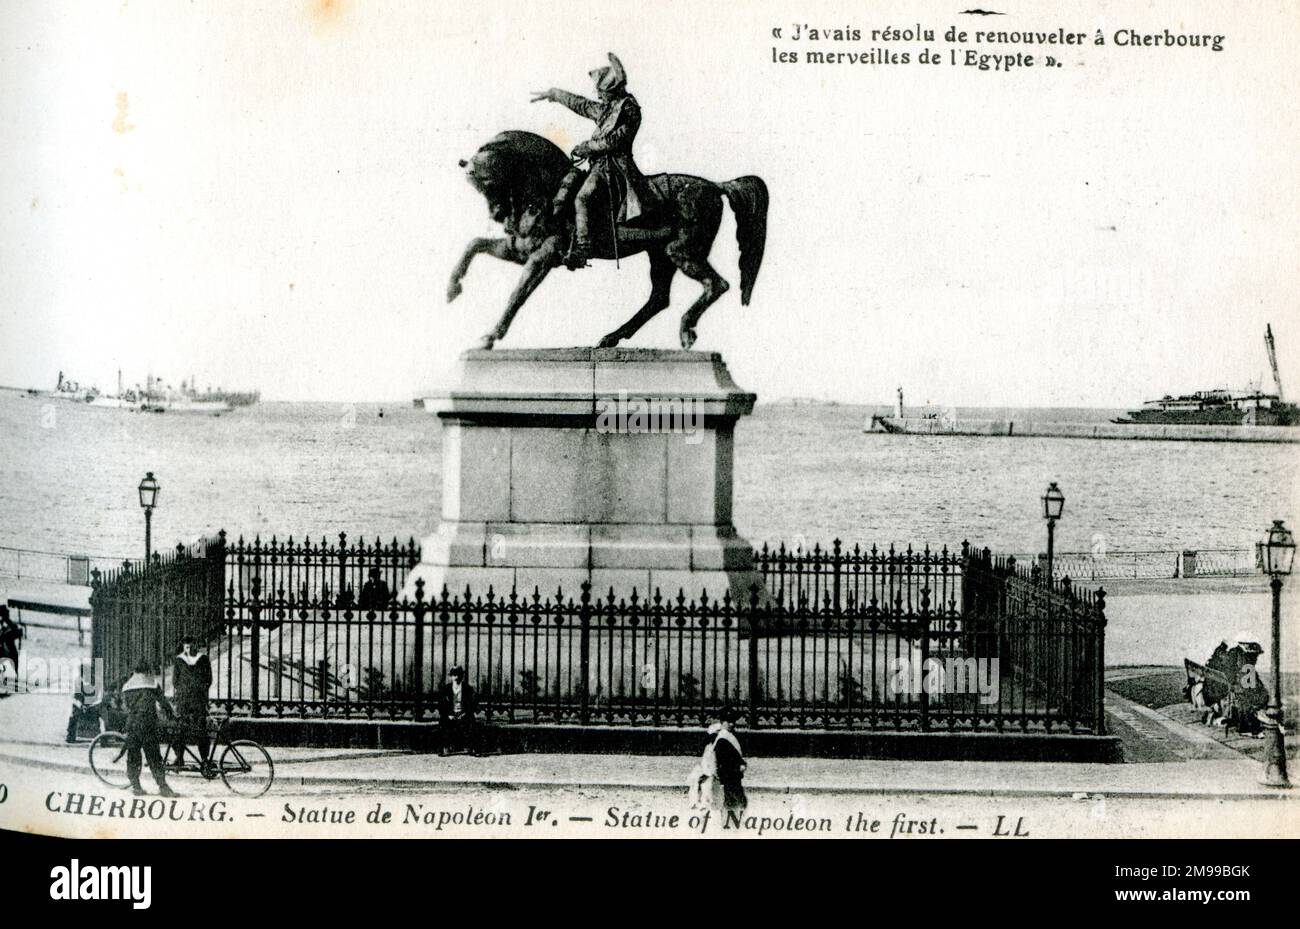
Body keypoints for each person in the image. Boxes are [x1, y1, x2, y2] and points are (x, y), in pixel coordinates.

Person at [531, 52, 653, 268]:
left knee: (582, 197)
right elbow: (581, 104)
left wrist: (587, 147)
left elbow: (614, 141)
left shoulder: (629, 111)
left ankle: (582, 249)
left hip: (615, 167)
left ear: (612, 90)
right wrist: (555, 94)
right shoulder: (608, 108)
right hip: (599, 165)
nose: (598, 96)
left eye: (601, 92)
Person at [121, 661, 178, 797]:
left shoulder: (127, 685)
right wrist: (171, 716)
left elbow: (125, 706)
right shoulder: (151, 683)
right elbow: (163, 702)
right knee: (154, 756)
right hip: (148, 724)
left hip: (132, 724)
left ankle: (136, 786)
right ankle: (163, 787)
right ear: (147, 671)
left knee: (133, 756)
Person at [688, 709, 747, 813]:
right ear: (722, 722)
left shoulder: (727, 736)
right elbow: (718, 759)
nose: (732, 724)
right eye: (728, 721)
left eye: (733, 721)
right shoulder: (721, 738)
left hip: (728, 775)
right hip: (725, 775)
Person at [170, 636, 213, 772]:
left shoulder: (203, 659)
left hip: (199, 700)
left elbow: (208, 679)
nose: (188, 647)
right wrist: (184, 691)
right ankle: (179, 757)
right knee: (180, 729)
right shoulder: (179, 660)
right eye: (186, 645)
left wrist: (199, 690)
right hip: (183, 701)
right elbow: (175, 681)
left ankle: (204, 759)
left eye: (191, 644)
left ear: (196, 645)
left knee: (201, 730)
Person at [437, 666, 479, 756]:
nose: (456, 677)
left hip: (464, 713)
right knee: (443, 721)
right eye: (454, 675)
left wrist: (464, 713)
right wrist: (448, 714)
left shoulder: (468, 688)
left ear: (462, 676)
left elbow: (472, 704)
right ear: (451, 676)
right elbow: (441, 705)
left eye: (458, 675)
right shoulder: (446, 689)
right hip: (450, 714)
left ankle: (472, 748)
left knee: (471, 721)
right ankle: (444, 747)